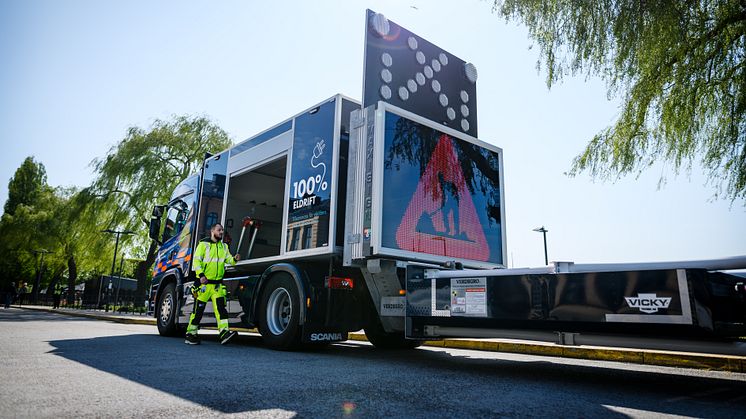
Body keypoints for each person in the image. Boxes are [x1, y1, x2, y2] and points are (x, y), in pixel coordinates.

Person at [185, 223, 240, 345]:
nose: (221, 232)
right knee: (198, 311)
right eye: (219, 230)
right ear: (212, 231)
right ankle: (191, 333)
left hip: (217, 285)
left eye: (222, 230)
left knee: (221, 309)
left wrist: (235, 259)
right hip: (204, 284)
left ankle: (224, 333)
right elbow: (196, 261)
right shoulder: (203, 245)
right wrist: (201, 276)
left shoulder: (224, 247)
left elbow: (229, 260)